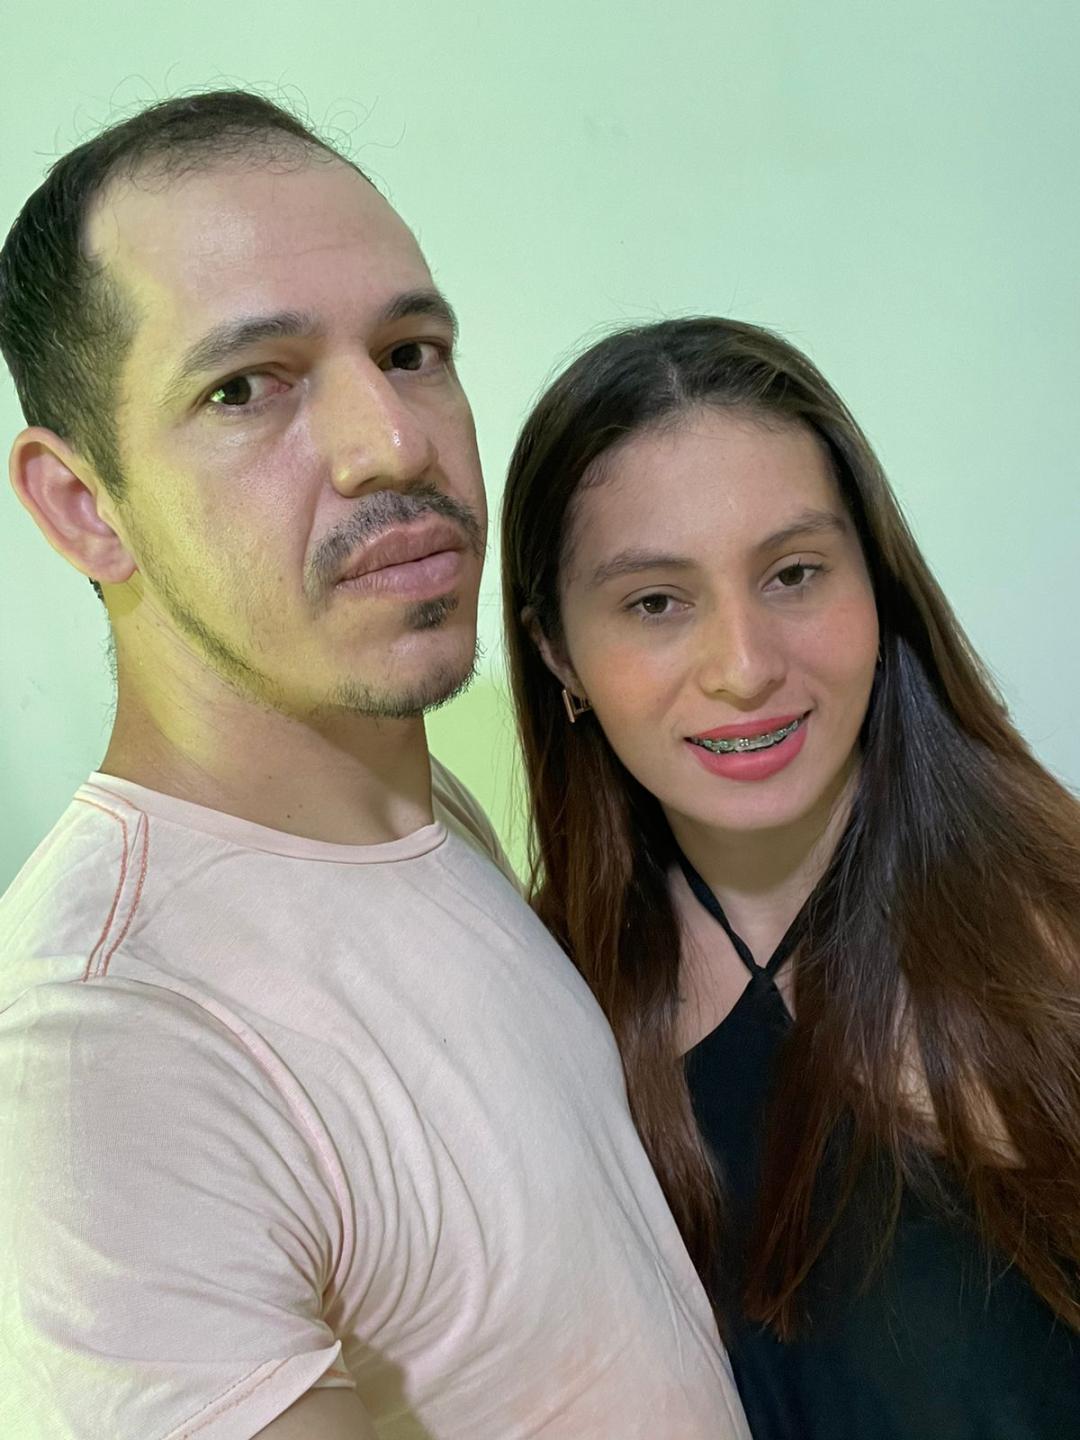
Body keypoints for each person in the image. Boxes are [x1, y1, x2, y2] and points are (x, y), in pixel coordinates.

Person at [0, 96, 751, 1440]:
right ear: (83, 506)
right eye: (246, 386)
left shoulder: (414, 812)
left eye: (411, 352)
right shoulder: (103, 1053)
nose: (392, 442)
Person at [500, 316, 1080, 1439]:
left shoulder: (1056, 929)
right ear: (559, 653)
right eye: (656, 602)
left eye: (794, 573)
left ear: (877, 584)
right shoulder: (532, 1007)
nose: (745, 666)